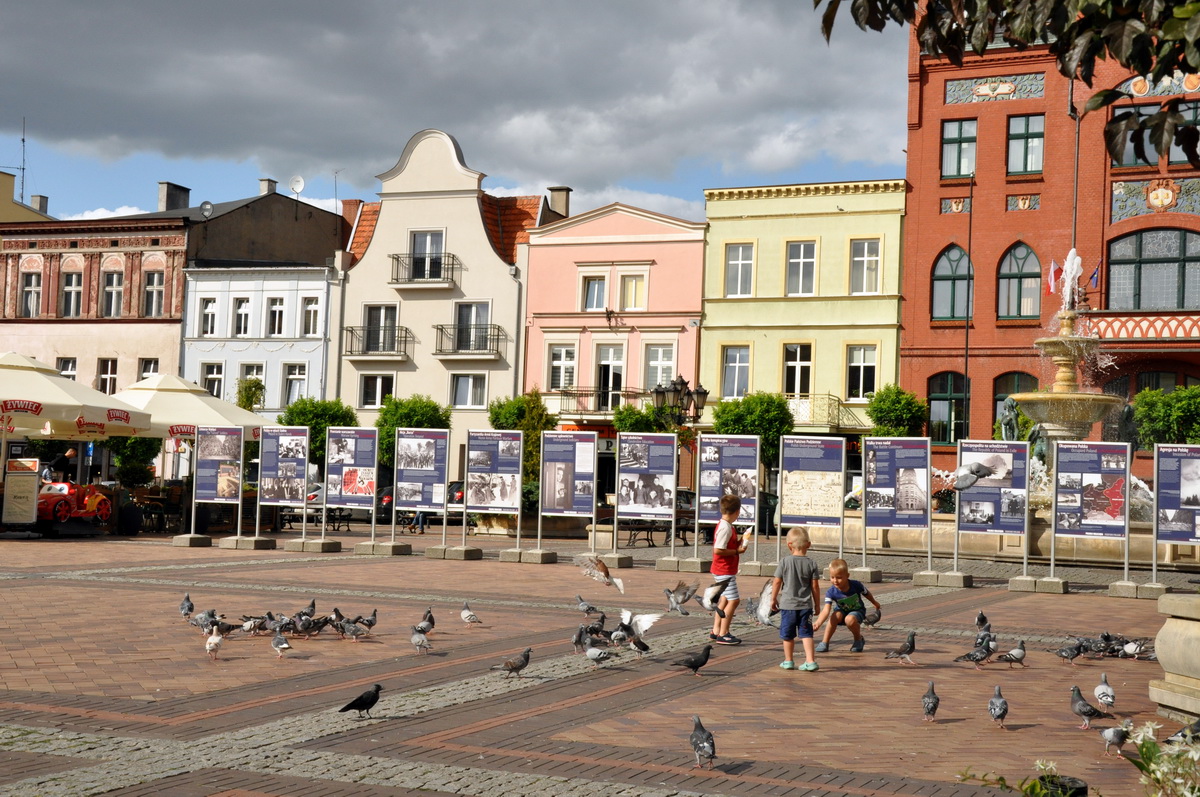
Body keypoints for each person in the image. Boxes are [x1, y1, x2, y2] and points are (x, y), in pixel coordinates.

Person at [770, 527, 821, 671]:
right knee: (806, 634)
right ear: (808, 545)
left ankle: (788, 661)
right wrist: (817, 605)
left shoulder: (784, 562)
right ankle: (810, 661)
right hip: (805, 606)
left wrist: (773, 599)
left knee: (787, 635)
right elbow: (815, 587)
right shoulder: (812, 563)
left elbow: (777, 582)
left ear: (789, 545)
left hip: (788, 606)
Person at [813, 558, 882, 653]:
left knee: (849, 619)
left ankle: (858, 640)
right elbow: (826, 610)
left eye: (839, 577)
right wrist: (818, 623)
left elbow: (867, 594)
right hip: (841, 611)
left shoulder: (856, 585)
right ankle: (825, 642)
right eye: (832, 577)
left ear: (847, 576)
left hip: (857, 611)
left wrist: (875, 603)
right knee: (834, 616)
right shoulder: (831, 592)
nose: (835, 581)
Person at [709, 493, 750, 645]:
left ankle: (715, 630)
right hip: (723, 569)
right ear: (737, 512)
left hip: (724, 569)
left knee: (724, 599)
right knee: (734, 600)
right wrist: (736, 551)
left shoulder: (726, 526)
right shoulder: (725, 528)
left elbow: (724, 545)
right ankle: (723, 633)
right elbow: (718, 550)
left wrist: (740, 542)